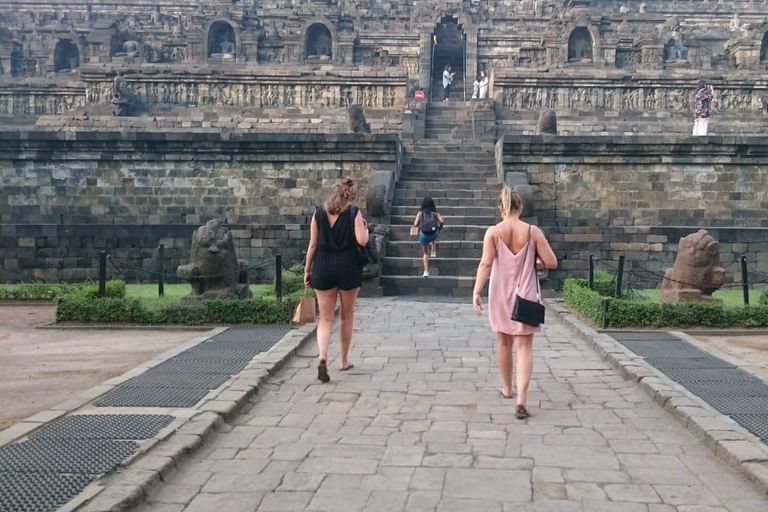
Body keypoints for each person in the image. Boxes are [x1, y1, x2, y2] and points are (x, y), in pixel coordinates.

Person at [471, 186, 557, 419]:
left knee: (503, 342)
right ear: (520, 208)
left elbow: (486, 264)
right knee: (524, 347)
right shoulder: (532, 232)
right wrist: (535, 261)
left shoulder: (493, 232)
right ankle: (522, 399)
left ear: (501, 209)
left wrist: (476, 291)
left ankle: (507, 388)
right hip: (526, 294)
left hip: (500, 293)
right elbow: (551, 262)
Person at [304, 178, 369, 383]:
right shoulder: (353, 212)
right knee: (346, 316)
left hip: (323, 265)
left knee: (325, 319)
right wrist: (365, 228)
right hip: (348, 265)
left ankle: (323, 355)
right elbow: (362, 240)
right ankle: (343, 361)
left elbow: (313, 245)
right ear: (351, 195)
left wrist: (307, 270)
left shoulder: (319, 213)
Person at [413, 197, 444, 277]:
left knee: (426, 253)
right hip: (434, 233)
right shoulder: (435, 213)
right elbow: (442, 221)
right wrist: (439, 228)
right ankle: (433, 251)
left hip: (423, 234)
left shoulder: (420, 213)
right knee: (433, 236)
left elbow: (415, 224)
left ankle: (426, 271)